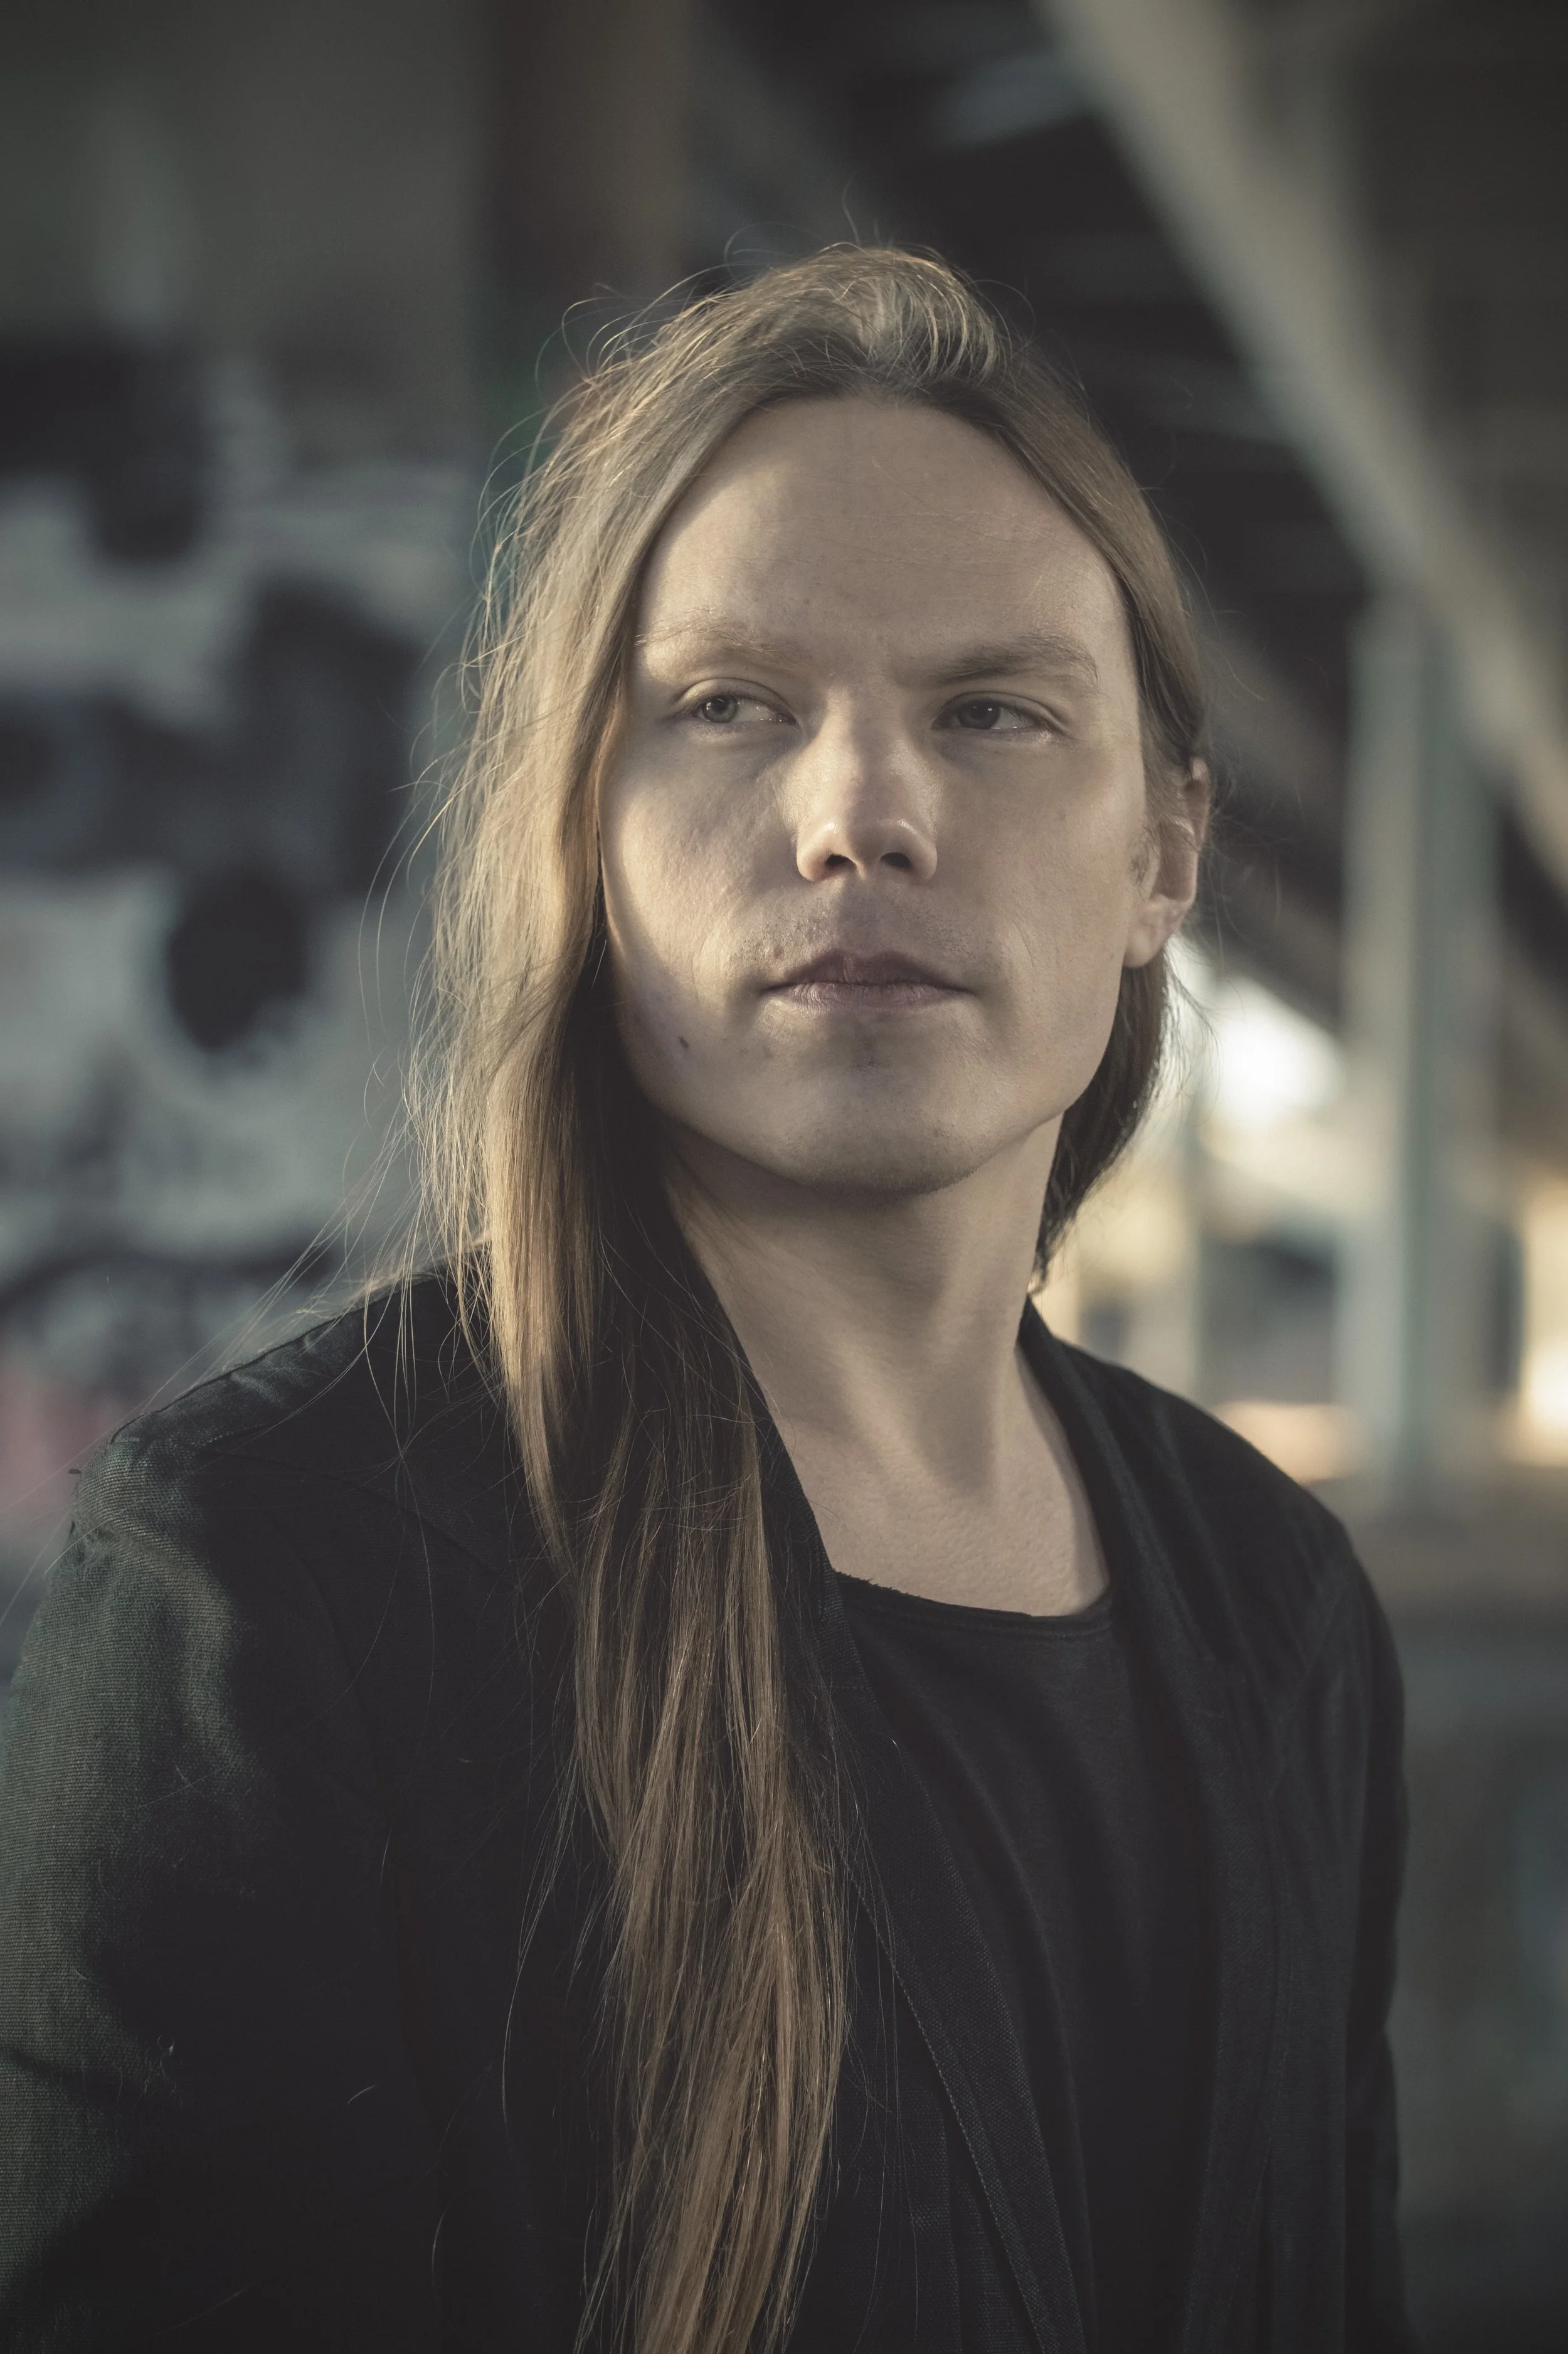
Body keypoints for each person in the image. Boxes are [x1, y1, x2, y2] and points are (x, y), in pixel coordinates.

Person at [0, 250, 1415, 2354]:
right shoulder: (263, 1586)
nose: (862, 815)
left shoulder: (1273, 1602)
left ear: (1163, 855)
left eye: (993, 712)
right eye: (732, 707)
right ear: (588, 828)